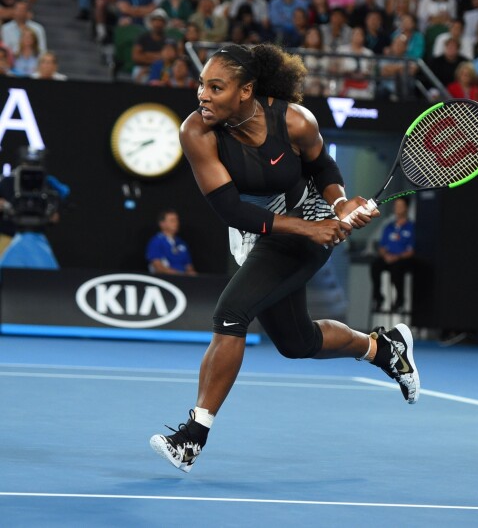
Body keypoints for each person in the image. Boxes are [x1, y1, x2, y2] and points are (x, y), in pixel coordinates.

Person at [149, 43, 421, 473]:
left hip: (304, 226)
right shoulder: (195, 131)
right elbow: (231, 210)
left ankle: (192, 438)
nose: (202, 94)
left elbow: (324, 170)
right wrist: (310, 227)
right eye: (201, 84)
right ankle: (382, 348)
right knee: (297, 343)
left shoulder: (294, 120)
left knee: (231, 314)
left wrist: (339, 206)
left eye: (215, 87)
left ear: (246, 91)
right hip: (264, 232)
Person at [370, 196, 415, 312]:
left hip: (401, 260)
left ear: (406, 208)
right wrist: (385, 255)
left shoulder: (412, 228)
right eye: (396, 206)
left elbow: (411, 250)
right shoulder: (388, 227)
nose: (397, 208)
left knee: (397, 269)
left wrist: (397, 257)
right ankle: (378, 298)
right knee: (375, 266)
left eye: (400, 206)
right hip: (388, 258)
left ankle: (399, 300)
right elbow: (382, 247)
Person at [146, 209, 197, 275]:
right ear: (162, 224)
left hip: (184, 280)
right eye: (172, 220)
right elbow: (157, 266)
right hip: (168, 279)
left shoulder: (181, 242)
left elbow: (188, 266)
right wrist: (178, 275)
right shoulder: (156, 241)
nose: (176, 223)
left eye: (177, 220)